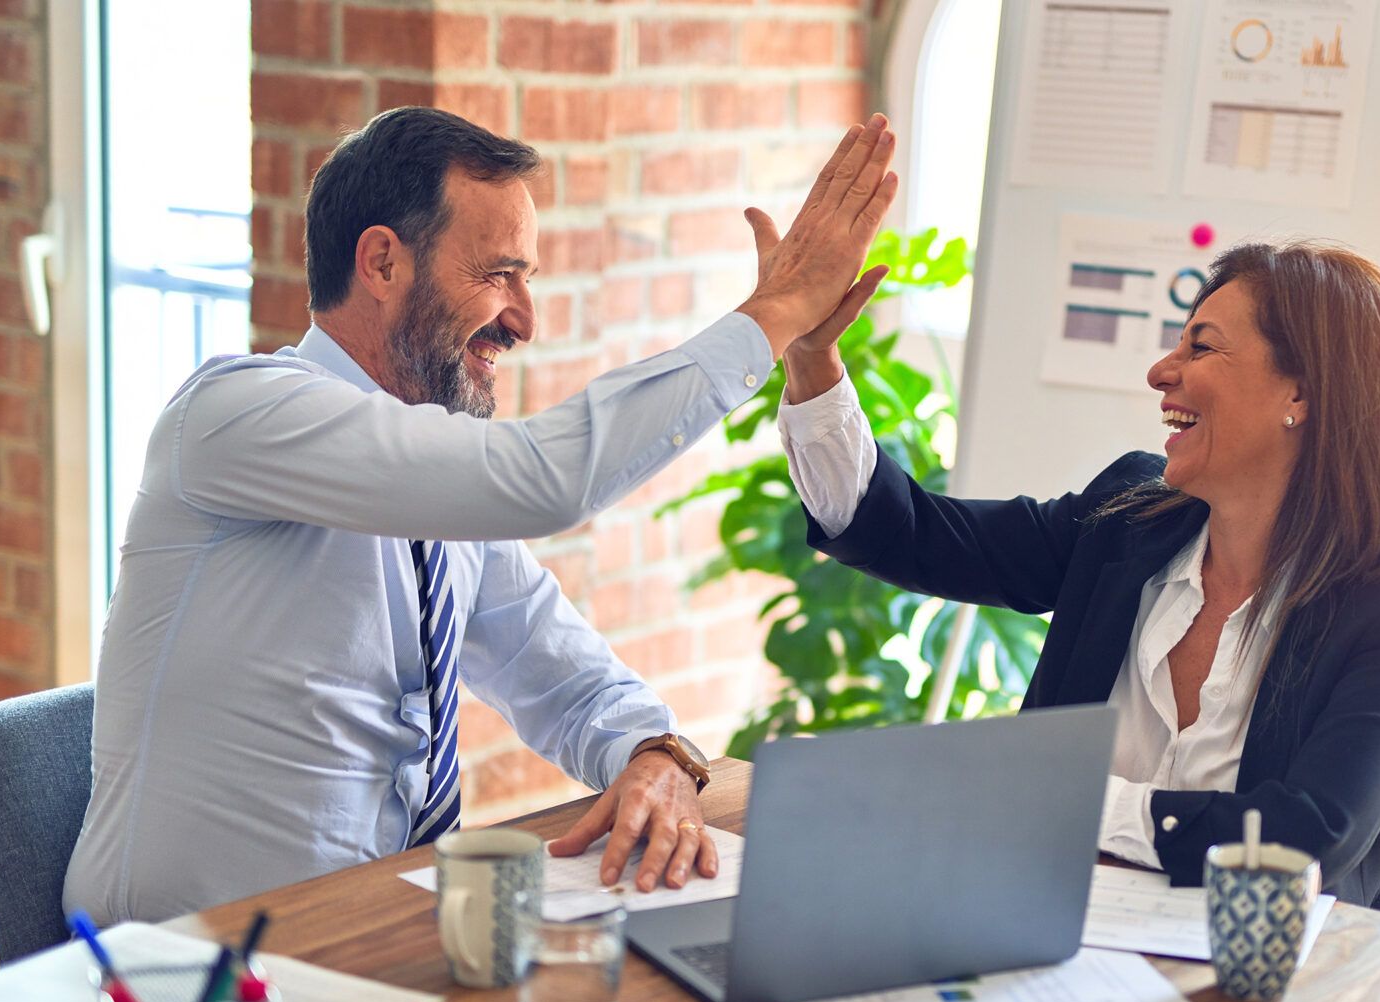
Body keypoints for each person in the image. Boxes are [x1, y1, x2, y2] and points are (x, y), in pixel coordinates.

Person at [64, 106, 897, 925]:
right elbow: (546, 479)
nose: (525, 320)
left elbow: (562, 674)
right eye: (500, 273)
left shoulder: (438, 492)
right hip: (183, 977)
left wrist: (655, 753)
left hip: (373, 941)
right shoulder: (236, 414)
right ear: (382, 264)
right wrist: (776, 313)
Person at [776, 241, 1380, 905]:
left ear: (1301, 395)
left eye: (1200, 346)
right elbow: (910, 534)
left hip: (1264, 991)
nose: (1161, 371)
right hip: (1048, 938)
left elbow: (1301, 841)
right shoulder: (1126, 520)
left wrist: (1065, 800)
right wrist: (813, 360)